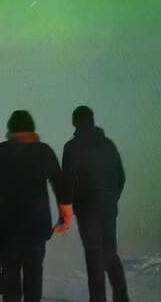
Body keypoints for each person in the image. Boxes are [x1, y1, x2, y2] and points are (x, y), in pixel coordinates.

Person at [0, 110, 71, 302]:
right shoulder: (44, 151)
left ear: (11, 129)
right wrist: (66, 216)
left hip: (8, 229)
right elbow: (61, 185)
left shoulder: (1, 151)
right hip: (37, 227)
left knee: (10, 280)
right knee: (34, 279)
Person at [61, 106, 129, 302]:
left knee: (94, 257)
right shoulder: (108, 145)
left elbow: (68, 181)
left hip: (87, 209)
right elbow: (120, 176)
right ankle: (122, 298)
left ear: (75, 122)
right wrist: (111, 198)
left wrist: (67, 209)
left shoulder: (72, 147)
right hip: (108, 208)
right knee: (110, 254)